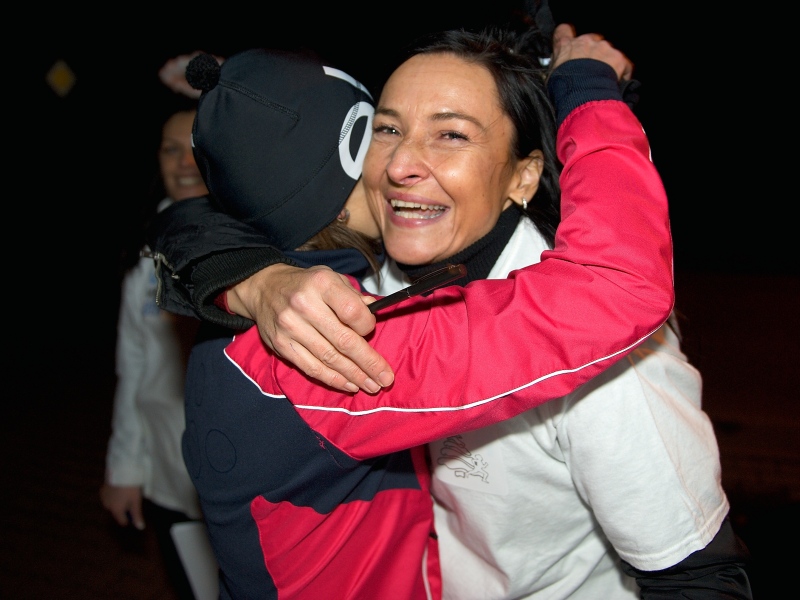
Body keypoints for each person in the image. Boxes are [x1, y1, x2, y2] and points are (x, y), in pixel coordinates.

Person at [148, 21, 750, 599]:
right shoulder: (354, 295)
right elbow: (193, 214)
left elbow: (695, 575)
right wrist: (251, 277)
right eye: (386, 129)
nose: (400, 164)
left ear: (523, 176)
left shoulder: (608, 364)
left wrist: (243, 274)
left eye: (452, 134)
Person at [100, 79, 208, 600]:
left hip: (244, 481)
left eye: (196, 148)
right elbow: (134, 369)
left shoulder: (260, 250)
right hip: (170, 475)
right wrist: (124, 469)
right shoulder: (144, 258)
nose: (183, 162)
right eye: (170, 149)